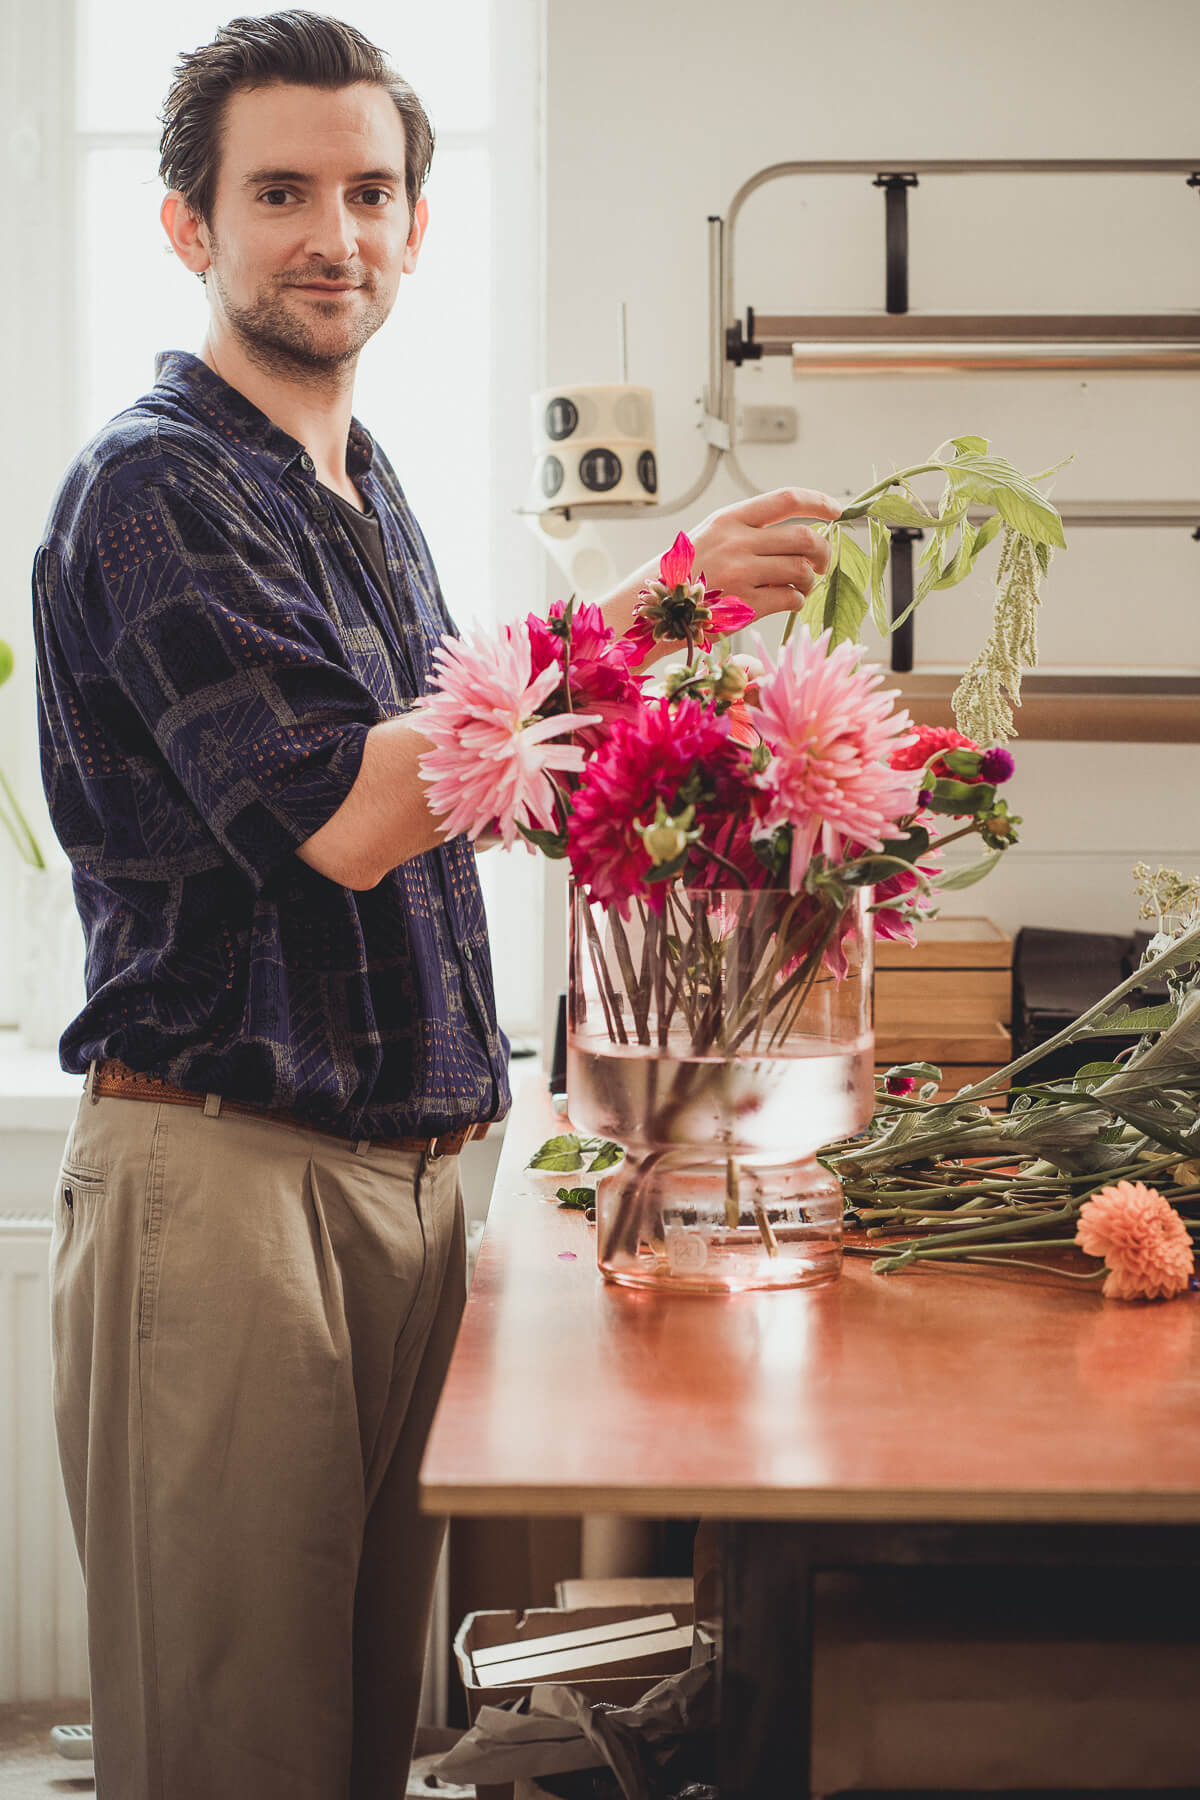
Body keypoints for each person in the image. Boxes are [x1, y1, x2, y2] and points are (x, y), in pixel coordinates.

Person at [32, 11, 838, 1798]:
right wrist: (650, 605)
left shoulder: (361, 487)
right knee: (236, 1744)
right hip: (230, 1184)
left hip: (408, 1177)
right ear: (190, 227)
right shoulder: (154, 487)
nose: (337, 233)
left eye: (372, 192)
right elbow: (350, 809)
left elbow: (466, 774)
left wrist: (708, 768)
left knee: (357, 1745)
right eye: (282, 193)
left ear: (415, 225)